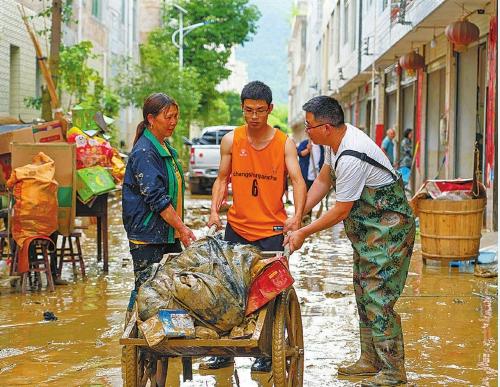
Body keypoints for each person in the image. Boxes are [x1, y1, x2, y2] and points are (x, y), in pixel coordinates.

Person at [285, 96, 415, 386]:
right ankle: (370, 359)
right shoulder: (337, 144)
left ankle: (394, 371)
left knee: (377, 296)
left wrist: (304, 232)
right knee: (362, 291)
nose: (307, 132)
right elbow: (322, 181)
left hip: (389, 231)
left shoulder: (352, 154)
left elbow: (341, 209)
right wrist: (298, 215)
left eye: (309, 126)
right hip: (369, 233)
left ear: (327, 126)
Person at [203, 81, 307, 373]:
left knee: (269, 295)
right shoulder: (231, 140)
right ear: (243, 109)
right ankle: (224, 351)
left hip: (272, 232)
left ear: (270, 110)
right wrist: (214, 211)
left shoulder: (284, 143)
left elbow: (298, 181)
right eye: (249, 110)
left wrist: (297, 218)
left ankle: (266, 352)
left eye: (260, 110)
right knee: (227, 291)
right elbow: (222, 180)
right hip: (236, 228)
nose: (254, 116)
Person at [122, 93, 196, 292]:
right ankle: (135, 322)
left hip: (165, 232)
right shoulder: (145, 152)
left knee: (167, 291)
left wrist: (179, 228)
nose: (173, 122)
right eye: (168, 117)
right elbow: (158, 199)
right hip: (149, 236)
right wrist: (182, 228)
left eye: (175, 116)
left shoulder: (164, 146)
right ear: (151, 119)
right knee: (147, 291)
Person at [274, 124, 293, 205]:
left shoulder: (284, 142)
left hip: (282, 169)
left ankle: (285, 199)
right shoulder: (268, 141)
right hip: (271, 170)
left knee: (284, 185)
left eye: (278, 131)